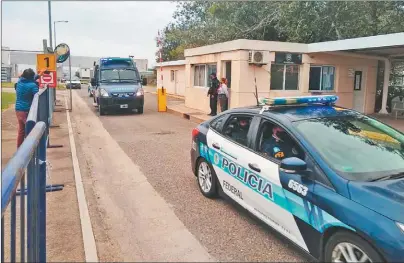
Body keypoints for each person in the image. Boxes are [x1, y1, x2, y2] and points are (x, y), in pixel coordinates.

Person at [15, 68, 39, 148]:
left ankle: (19, 149)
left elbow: (33, 78)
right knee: (30, 131)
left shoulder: (19, 82)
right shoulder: (32, 85)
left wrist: (40, 74)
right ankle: (28, 150)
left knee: (21, 131)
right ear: (31, 77)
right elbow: (37, 95)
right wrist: (37, 85)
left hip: (18, 109)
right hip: (26, 111)